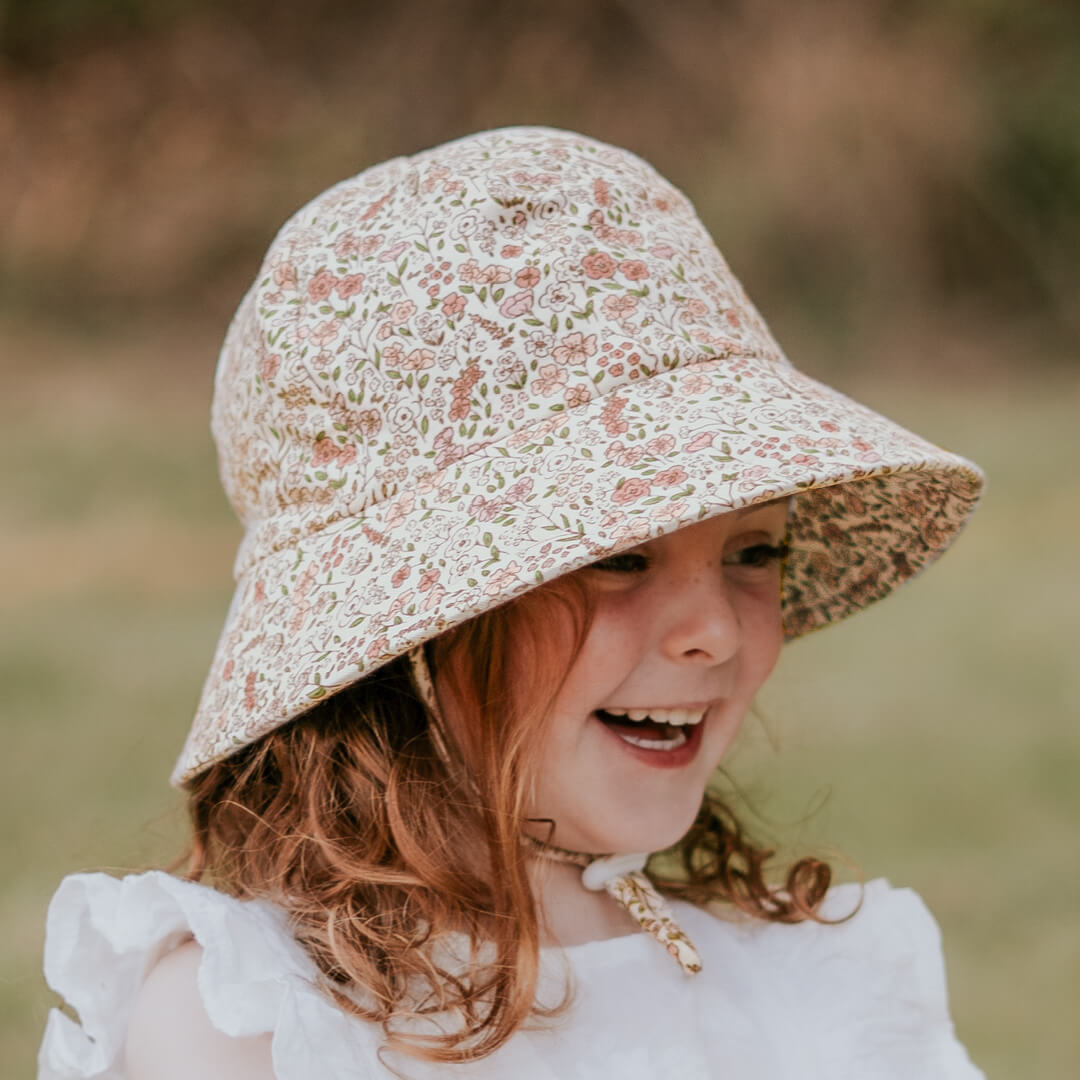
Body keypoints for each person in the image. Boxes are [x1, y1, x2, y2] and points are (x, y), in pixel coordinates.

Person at [38, 126, 987, 1079]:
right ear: (406, 627)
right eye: (618, 557)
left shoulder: (812, 995)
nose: (713, 631)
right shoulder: (254, 1020)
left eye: (755, 551)